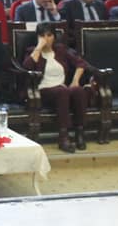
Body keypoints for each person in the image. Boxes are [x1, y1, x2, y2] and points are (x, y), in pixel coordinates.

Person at [22, 22, 89, 153]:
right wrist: (39, 47)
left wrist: (75, 81)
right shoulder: (32, 51)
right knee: (62, 91)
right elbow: (27, 68)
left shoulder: (61, 50)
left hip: (61, 89)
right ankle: (63, 137)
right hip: (42, 91)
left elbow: (81, 63)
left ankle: (79, 132)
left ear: (54, 37)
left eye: (49, 35)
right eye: (42, 36)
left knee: (78, 90)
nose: (45, 39)